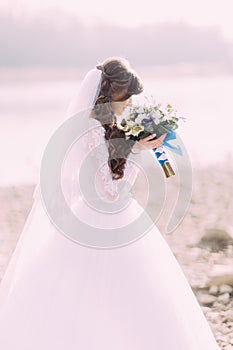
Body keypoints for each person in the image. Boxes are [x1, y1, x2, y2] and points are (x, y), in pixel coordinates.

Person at [0, 56, 220, 349]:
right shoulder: (91, 130)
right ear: (109, 93)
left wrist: (134, 145)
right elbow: (109, 191)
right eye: (126, 96)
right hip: (101, 217)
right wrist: (139, 150)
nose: (130, 103)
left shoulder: (104, 124)